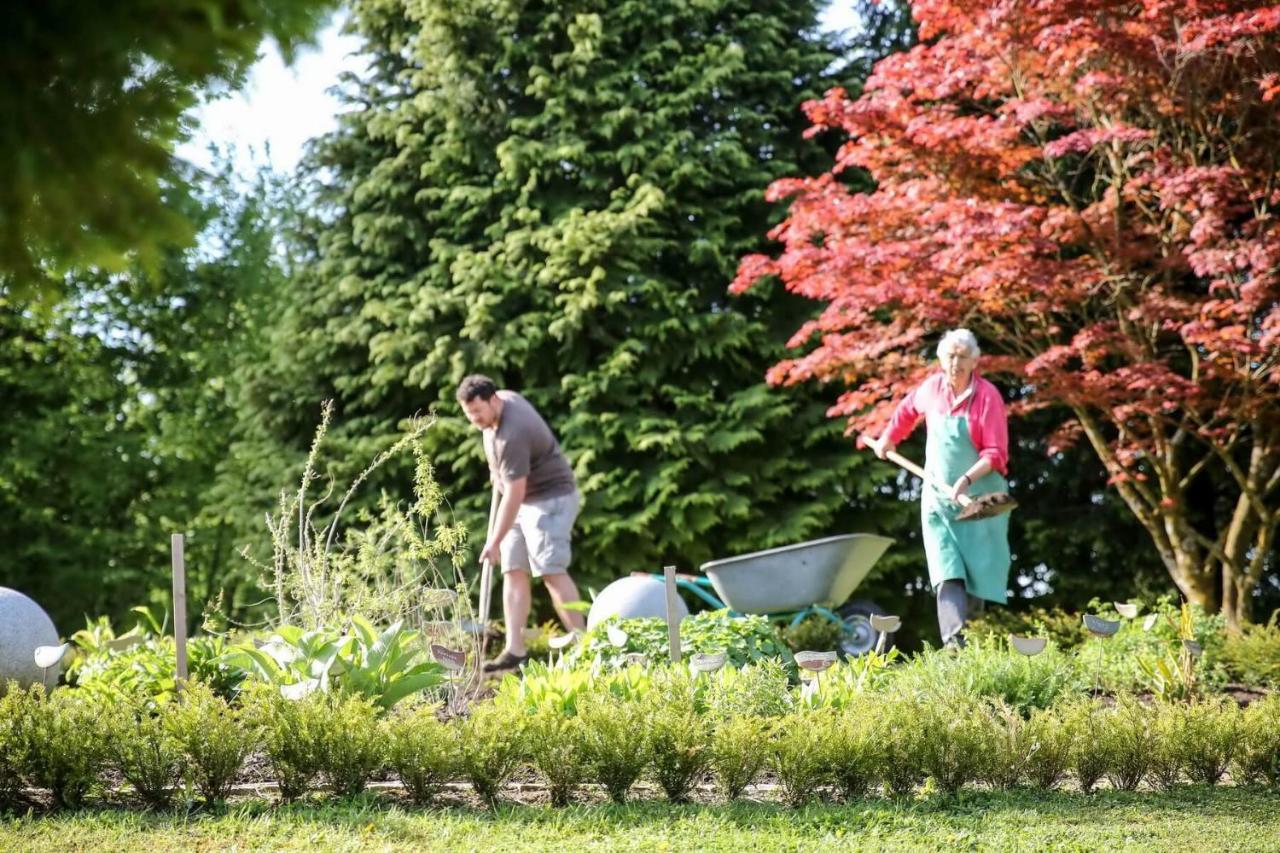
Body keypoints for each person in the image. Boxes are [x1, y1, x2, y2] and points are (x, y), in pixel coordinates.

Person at [867, 329, 1011, 648]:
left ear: (975, 361)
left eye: (962, 356)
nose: (955, 363)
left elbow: (996, 453)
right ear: (940, 359)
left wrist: (964, 481)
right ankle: (954, 644)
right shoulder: (931, 389)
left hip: (979, 497)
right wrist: (889, 439)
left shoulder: (987, 397)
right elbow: (906, 411)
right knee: (946, 568)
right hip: (938, 499)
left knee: (977, 572)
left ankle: (974, 644)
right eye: (949, 355)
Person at [456, 375, 585, 671]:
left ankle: (583, 644)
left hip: (550, 499)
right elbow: (506, 475)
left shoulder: (513, 433)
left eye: (477, 412)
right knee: (513, 569)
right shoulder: (501, 406)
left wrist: (493, 541)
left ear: (493, 400)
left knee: (550, 570)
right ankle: (515, 650)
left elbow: (515, 493)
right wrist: (497, 471)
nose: (474, 419)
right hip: (523, 499)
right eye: (468, 414)